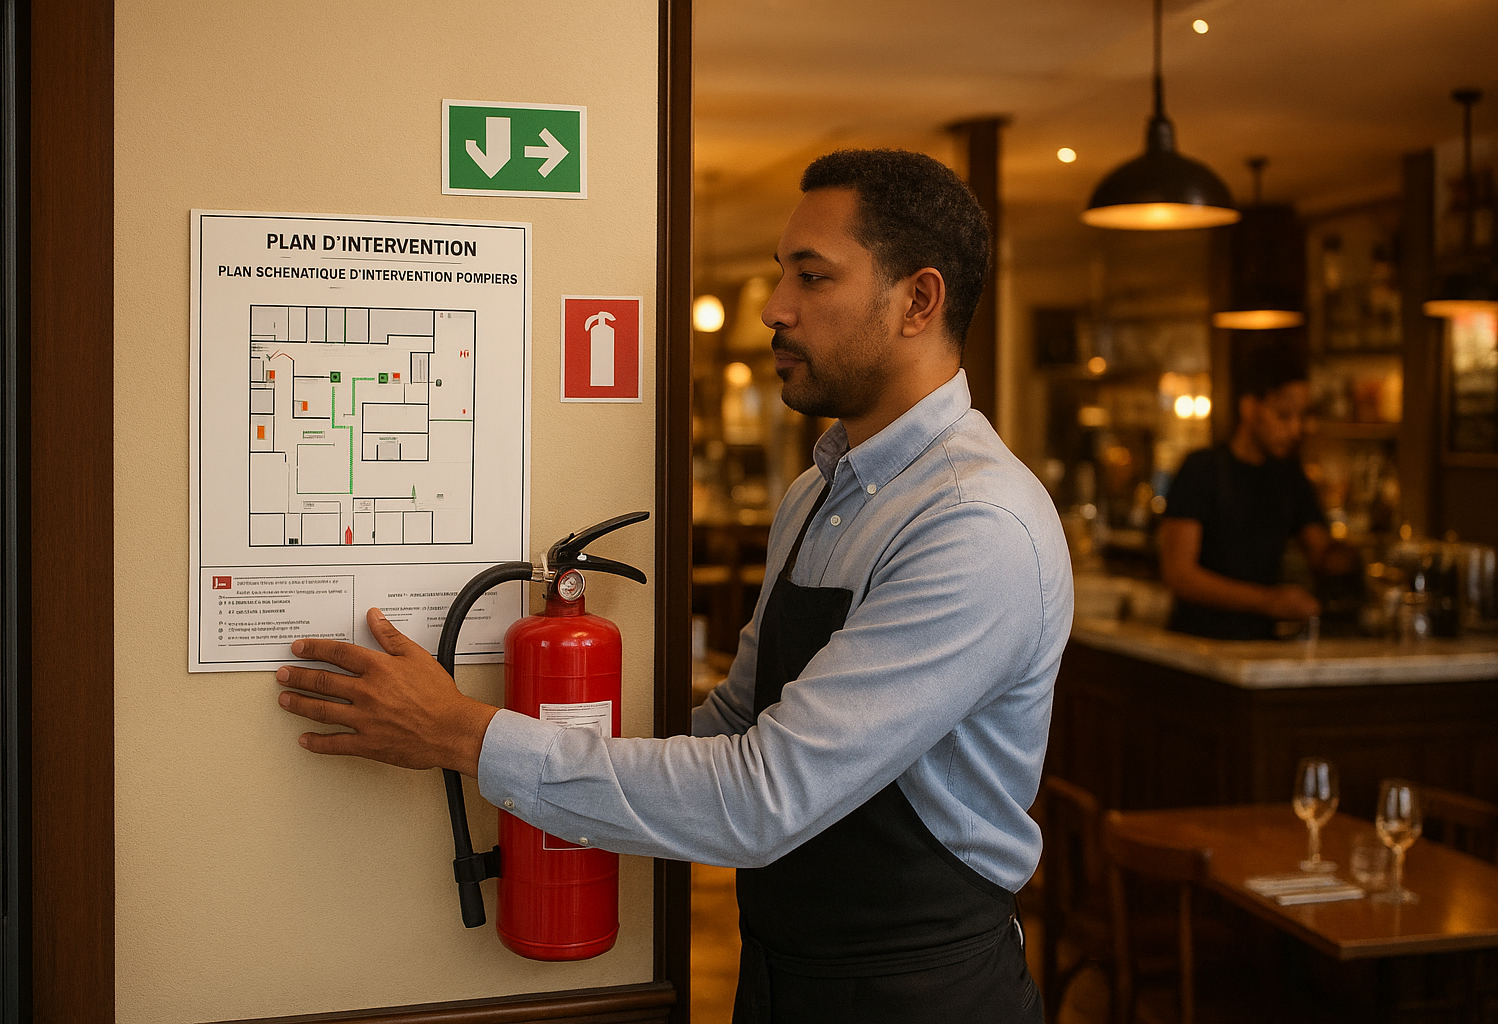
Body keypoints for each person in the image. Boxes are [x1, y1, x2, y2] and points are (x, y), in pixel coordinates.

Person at [275, 149, 1073, 1024]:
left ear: (918, 300)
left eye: (812, 276)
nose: (775, 307)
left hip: (924, 994)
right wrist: (536, 725)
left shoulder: (974, 525)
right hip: (783, 974)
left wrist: (464, 734)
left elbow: (764, 797)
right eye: (782, 273)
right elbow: (734, 722)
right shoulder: (817, 493)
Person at [1160, 339, 1349, 639]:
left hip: (1261, 646)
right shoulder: (1202, 469)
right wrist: (1269, 601)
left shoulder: (1289, 474)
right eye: (1284, 415)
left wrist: (1348, 558)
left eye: (1302, 416)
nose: (1296, 429)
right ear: (1249, 408)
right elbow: (1179, 574)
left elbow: (1322, 551)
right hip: (1197, 645)